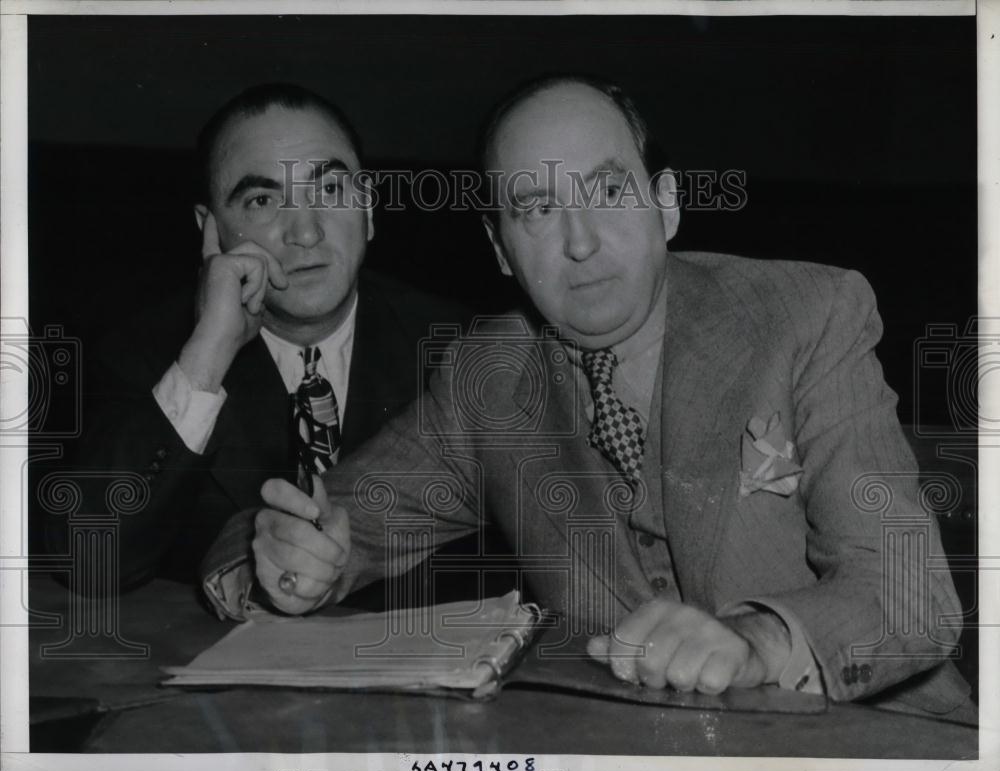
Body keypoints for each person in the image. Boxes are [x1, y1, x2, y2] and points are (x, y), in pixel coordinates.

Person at [203, 75, 973, 721]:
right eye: (536, 208)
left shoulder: (806, 313)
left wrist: (757, 641)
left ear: (665, 203)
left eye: (607, 190)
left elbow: (910, 592)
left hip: (877, 741)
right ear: (501, 248)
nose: (579, 241)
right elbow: (318, 522)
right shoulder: (491, 378)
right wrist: (284, 558)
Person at [46, 83, 468, 594]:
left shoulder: (460, 349)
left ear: (369, 209)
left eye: (330, 190)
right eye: (263, 200)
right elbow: (87, 561)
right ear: (211, 231)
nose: (306, 233)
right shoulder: (147, 353)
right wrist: (207, 357)